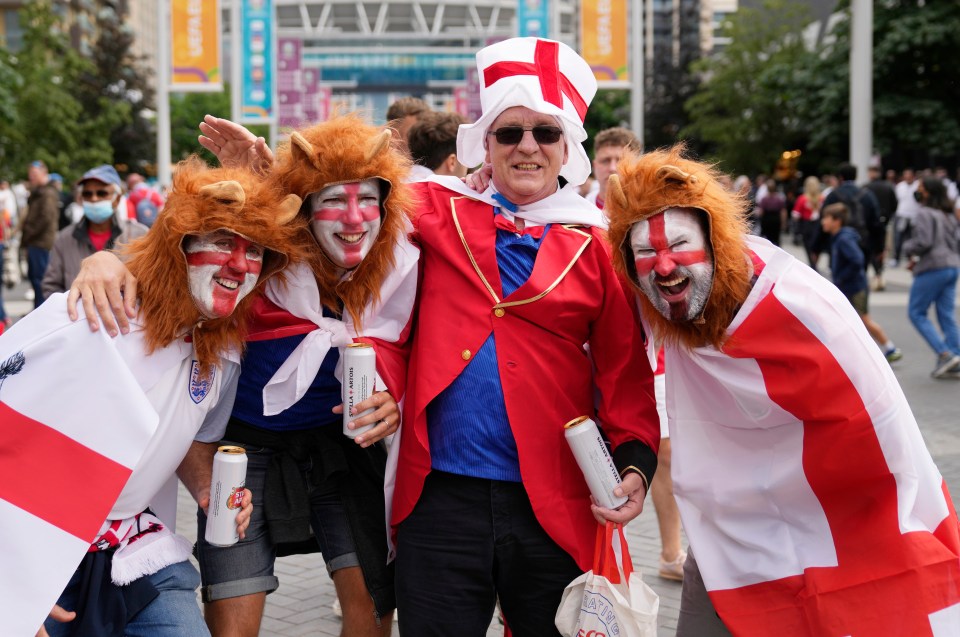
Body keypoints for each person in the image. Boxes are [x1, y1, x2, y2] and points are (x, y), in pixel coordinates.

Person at [71, 114, 416, 637]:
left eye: (367, 199)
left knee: (370, 610)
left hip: (340, 448)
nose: (352, 218)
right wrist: (101, 260)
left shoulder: (401, 266)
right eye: (330, 201)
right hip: (242, 450)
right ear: (303, 207)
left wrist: (397, 393)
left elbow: (434, 340)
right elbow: (172, 264)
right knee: (232, 618)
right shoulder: (264, 258)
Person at [606, 144, 960, 636]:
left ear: (716, 242)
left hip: (827, 526)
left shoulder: (802, 306)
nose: (664, 267)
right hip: (725, 538)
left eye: (680, 244)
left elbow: (883, 433)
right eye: (646, 252)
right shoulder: (653, 297)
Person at [390, 37, 659, 636]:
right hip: (440, 497)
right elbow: (344, 205)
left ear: (568, 149)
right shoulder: (437, 211)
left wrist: (636, 465)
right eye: (509, 133)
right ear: (484, 144)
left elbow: (625, 376)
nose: (528, 146)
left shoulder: (601, 248)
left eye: (545, 132)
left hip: (555, 501)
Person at [0, 156, 305, 637]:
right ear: (178, 245)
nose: (239, 265)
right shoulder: (90, 315)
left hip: (132, 549)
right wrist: (11, 586)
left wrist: (208, 489)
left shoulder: (221, 351)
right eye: (224, 242)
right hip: (35, 549)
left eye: (255, 252)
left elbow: (193, 437)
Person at [42, 165, 148, 297]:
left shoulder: (140, 236)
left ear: (117, 199)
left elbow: (152, 285)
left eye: (101, 193)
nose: (94, 198)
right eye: (87, 194)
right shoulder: (65, 238)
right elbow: (50, 286)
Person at [820, 202, 902, 362]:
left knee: (864, 320)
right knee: (852, 320)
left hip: (855, 287)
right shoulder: (839, 238)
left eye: (826, 218)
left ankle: (889, 348)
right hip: (850, 286)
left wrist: (842, 277)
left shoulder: (843, 239)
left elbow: (857, 259)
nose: (823, 221)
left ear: (837, 221)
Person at [902, 176, 960, 379]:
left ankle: (945, 354)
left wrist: (906, 247)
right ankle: (956, 357)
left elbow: (923, 242)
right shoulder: (948, 213)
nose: (917, 192)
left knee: (916, 312)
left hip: (933, 267)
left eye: (920, 188)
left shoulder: (925, 213)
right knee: (946, 315)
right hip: (952, 265)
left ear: (928, 192)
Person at [18, 160, 61, 308]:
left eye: (34, 174)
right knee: (36, 279)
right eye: (30, 174)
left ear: (44, 174)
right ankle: (38, 310)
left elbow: (45, 219)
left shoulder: (47, 193)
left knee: (40, 281)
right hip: (36, 242)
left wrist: (28, 234)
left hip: (40, 242)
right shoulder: (40, 192)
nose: (31, 177)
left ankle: (42, 311)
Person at [585, 126, 641, 210]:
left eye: (621, 161)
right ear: (594, 166)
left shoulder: (650, 212)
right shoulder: (578, 213)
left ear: (636, 166)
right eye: (605, 161)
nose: (612, 168)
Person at [406, 111, 469, 180]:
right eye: (465, 159)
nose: (467, 166)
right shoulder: (460, 189)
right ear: (452, 162)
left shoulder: (397, 184)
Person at [864, 165, 897, 290]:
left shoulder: (866, 188)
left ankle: (872, 275)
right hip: (883, 223)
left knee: (869, 250)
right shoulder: (888, 187)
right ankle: (879, 273)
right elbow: (894, 205)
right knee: (881, 250)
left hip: (868, 226)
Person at [791, 175, 823, 269]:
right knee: (817, 247)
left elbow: (795, 214)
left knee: (808, 248)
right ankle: (815, 264)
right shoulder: (822, 198)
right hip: (818, 225)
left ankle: (813, 266)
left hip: (806, 225)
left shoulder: (802, 199)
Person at [893, 168, 920, 265]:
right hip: (902, 214)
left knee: (913, 237)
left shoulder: (918, 185)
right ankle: (896, 258)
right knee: (898, 237)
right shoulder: (900, 186)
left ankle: (912, 258)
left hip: (914, 215)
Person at [756, 178, 786, 246]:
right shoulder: (779, 198)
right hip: (776, 220)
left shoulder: (764, 199)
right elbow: (783, 212)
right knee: (776, 239)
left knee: (767, 239)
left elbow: (761, 212)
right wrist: (783, 222)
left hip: (766, 220)